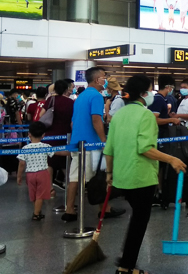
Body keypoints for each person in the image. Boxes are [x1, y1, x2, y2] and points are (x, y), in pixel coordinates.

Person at [104, 74, 187, 274]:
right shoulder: (146, 115)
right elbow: (145, 148)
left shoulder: (119, 115)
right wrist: (172, 159)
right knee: (139, 222)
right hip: (141, 177)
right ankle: (126, 266)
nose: (151, 93)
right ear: (143, 94)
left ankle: (125, 258)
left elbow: (109, 149)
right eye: (149, 90)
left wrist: (109, 174)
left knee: (136, 219)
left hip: (122, 176)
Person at [63, 67, 124, 222]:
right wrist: (104, 140)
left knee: (75, 177)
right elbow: (96, 119)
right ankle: (105, 209)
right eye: (104, 77)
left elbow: (73, 121)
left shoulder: (80, 96)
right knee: (100, 177)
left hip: (78, 142)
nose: (106, 79)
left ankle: (69, 210)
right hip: (91, 144)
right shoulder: (96, 96)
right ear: (97, 80)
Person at [17, 122, 64, 220]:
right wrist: (70, 152)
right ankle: (36, 214)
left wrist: (19, 176)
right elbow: (57, 152)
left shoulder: (25, 148)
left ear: (29, 134)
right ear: (43, 135)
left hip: (30, 174)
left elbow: (22, 163)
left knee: (33, 195)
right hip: (43, 173)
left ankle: (37, 211)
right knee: (40, 195)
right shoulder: (45, 146)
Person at [147, 74, 181, 205]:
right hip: (159, 136)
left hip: (161, 136)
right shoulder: (159, 100)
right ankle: (157, 192)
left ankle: (159, 190)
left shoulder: (160, 99)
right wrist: (171, 119)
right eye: (171, 88)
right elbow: (154, 119)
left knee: (160, 165)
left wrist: (169, 116)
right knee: (159, 165)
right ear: (168, 87)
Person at [41, 80, 75, 193]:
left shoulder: (51, 99)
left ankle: (49, 188)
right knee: (65, 159)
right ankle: (71, 185)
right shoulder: (71, 102)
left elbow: (41, 115)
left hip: (50, 134)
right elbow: (72, 121)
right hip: (65, 134)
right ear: (66, 89)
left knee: (50, 161)